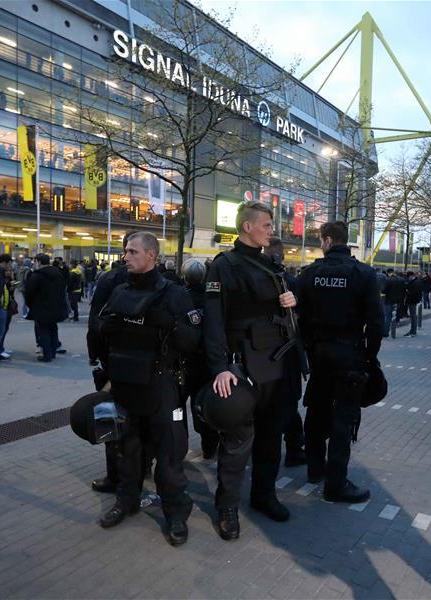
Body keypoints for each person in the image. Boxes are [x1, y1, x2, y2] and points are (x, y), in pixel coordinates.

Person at [96, 233, 199, 547]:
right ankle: (126, 500)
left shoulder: (175, 295)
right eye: (125, 251)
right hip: (125, 383)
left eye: (133, 251)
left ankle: (176, 512)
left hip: (160, 384)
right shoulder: (119, 291)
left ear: (152, 255)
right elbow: (102, 333)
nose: (126, 257)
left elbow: (193, 342)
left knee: (168, 455)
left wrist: (169, 324)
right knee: (126, 449)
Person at [203, 201, 297, 540]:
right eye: (267, 225)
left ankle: (264, 495)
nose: (271, 231)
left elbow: (285, 310)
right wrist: (219, 368)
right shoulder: (224, 266)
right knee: (237, 441)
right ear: (247, 226)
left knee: (271, 436)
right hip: (241, 364)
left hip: (276, 362)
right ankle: (227, 506)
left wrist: (290, 299)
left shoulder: (272, 265)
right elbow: (213, 321)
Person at [297, 222, 382, 503]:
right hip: (350, 355)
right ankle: (336, 484)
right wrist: (369, 357)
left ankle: (314, 468)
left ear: (328, 240)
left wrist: (310, 350)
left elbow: (301, 318)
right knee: (343, 420)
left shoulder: (310, 274)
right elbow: (376, 322)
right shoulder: (364, 274)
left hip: (319, 355)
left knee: (316, 411)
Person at [87, 237, 132, 494]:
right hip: (125, 362)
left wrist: (94, 353)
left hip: (113, 361)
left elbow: (95, 321)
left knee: (110, 416)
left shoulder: (110, 279)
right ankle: (139, 468)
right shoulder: (160, 280)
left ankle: (115, 476)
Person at [263, 238, 305, 468]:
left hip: (259, 354)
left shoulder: (256, 280)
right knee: (288, 404)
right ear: (282, 257)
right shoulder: (291, 281)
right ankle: (294, 450)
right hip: (288, 352)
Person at [180, 258, 220, 459]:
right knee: (205, 405)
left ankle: (178, 444)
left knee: (178, 406)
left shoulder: (179, 298)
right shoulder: (210, 299)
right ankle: (210, 445)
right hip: (206, 362)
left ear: (184, 277)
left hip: (183, 363)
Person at [25, 254, 68, 362]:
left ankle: (47, 355)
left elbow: (29, 293)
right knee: (53, 329)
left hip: (41, 308)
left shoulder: (37, 275)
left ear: (39, 262)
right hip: (56, 307)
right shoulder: (58, 273)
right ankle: (53, 352)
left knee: (43, 331)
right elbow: (63, 289)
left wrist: (30, 305)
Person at [401, 271, 422, 337]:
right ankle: (412, 330)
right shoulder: (416, 281)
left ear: (411, 276)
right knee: (413, 316)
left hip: (412, 301)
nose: (408, 278)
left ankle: (413, 331)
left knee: (413, 316)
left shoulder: (415, 282)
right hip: (413, 300)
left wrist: (407, 292)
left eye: (408, 277)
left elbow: (414, 292)